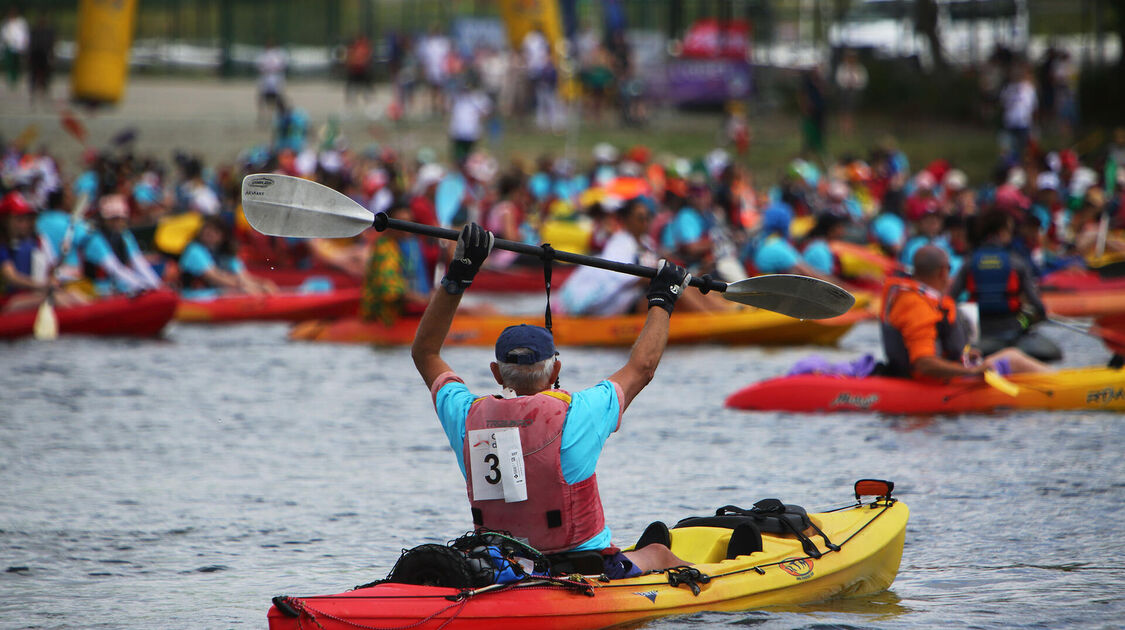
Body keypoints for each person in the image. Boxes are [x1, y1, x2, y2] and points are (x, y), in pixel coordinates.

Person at [411, 222, 692, 576]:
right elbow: (643, 367)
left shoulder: (466, 415)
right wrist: (663, 299)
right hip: (585, 568)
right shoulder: (580, 411)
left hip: (502, 566)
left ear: (497, 374)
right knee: (658, 554)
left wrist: (459, 273)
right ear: (555, 368)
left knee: (651, 546)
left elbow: (425, 353)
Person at [880, 245, 1048, 380]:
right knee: (1013, 358)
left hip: (940, 376)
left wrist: (964, 356)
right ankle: (1062, 383)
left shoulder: (912, 298)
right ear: (943, 272)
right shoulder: (918, 306)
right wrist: (971, 372)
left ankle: (1058, 379)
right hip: (933, 384)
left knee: (1010, 357)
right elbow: (923, 363)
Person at [949, 212, 1060, 362]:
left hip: (980, 331)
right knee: (1047, 344)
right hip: (1011, 329)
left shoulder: (969, 262)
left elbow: (950, 299)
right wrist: (1041, 316)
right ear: (1001, 232)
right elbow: (1037, 304)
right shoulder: (1016, 262)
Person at [0, 190, 85, 312]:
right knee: (54, 299)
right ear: (5, 221)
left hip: (31, 295)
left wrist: (52, 279)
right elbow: (12, 277)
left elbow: (51, 270)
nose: (24, 224)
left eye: (27, 219)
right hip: (8, 302)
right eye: (19, 219)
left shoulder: (36, 241)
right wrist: (43, 285)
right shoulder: (2, 246)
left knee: (73, 295)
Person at [359, 204, 431, 325]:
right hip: (384, 317)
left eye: (409, 222)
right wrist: (425, 300)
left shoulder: (410, 244)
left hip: (408, 313)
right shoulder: (385, 248)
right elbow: (391, 290)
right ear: (389, 226)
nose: (406, 229)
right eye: (401, 223)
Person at [78, 194, 163, 296]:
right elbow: (114, 268)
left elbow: (138, 262)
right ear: (104, 220)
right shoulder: (95, 239)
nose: (118, 222)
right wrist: (142, 286)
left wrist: (157, 285)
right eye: (113, 219)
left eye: (120, 218)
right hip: (98, 289)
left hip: (119, 286)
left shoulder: (125, 235)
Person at [177, 216, 276, 298]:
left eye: (215, 231)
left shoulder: (225, 253)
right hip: (194, 297)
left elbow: (243, 276)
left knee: (263, 287)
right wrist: (244, 286)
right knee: (244, 292)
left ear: (223, 236)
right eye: (207, 229)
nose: (209, 233)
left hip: (216, 294)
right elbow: (214, 277)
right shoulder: (194, 250)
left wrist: (262, 284)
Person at [256, 39, 288, 125]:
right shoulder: (265, 55)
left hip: (273, 80)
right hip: (268, 79)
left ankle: (273, 117)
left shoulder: (276, 55)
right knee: (264, 98)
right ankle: (264, 117)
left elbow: (280, 66)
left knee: (274, 99)